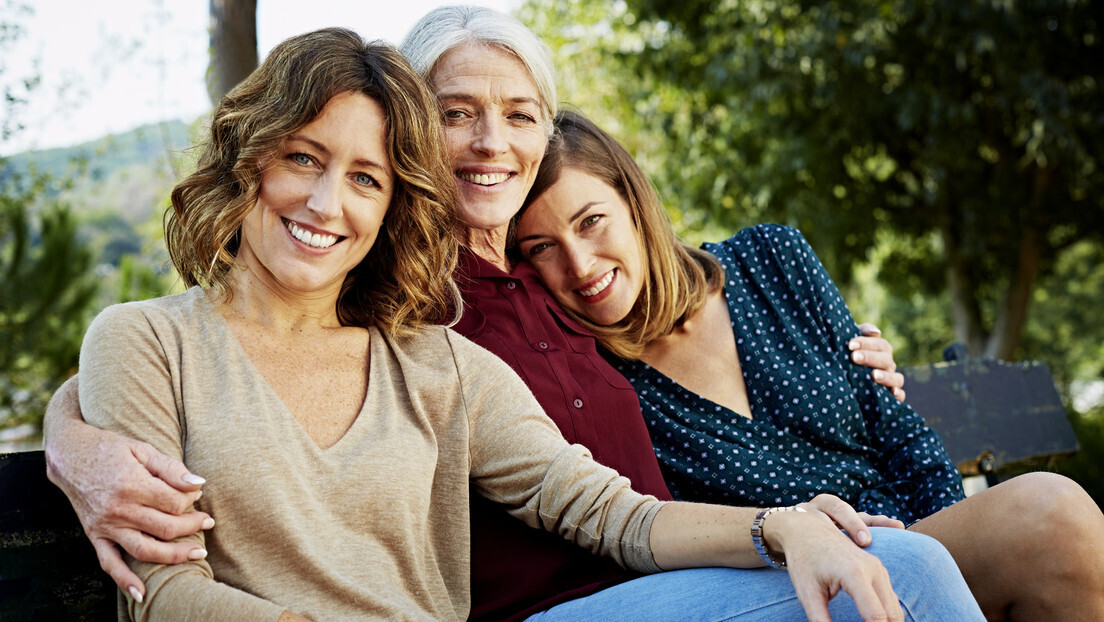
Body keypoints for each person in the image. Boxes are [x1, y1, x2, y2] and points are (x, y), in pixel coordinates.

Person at [41, 6, 946, 621]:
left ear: (393, 200)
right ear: (250, 159)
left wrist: (781, 522)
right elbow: (161, 592)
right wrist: (67, 429)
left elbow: (605, 508)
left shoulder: (440, 356)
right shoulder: (145, 339)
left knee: (898, 571)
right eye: (302, 158)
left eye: (365, 179)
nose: (327, 202)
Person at [514, 108, 1104, 622]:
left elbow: (900, 437)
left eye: (591, 221)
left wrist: (953, 570)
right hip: (791, 587)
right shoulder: (592, 378)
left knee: (1055, 518)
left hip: (915, 546)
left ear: (634, 203)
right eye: (542, 248)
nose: (580, 262)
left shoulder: (772, 259)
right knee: (1053, 517)